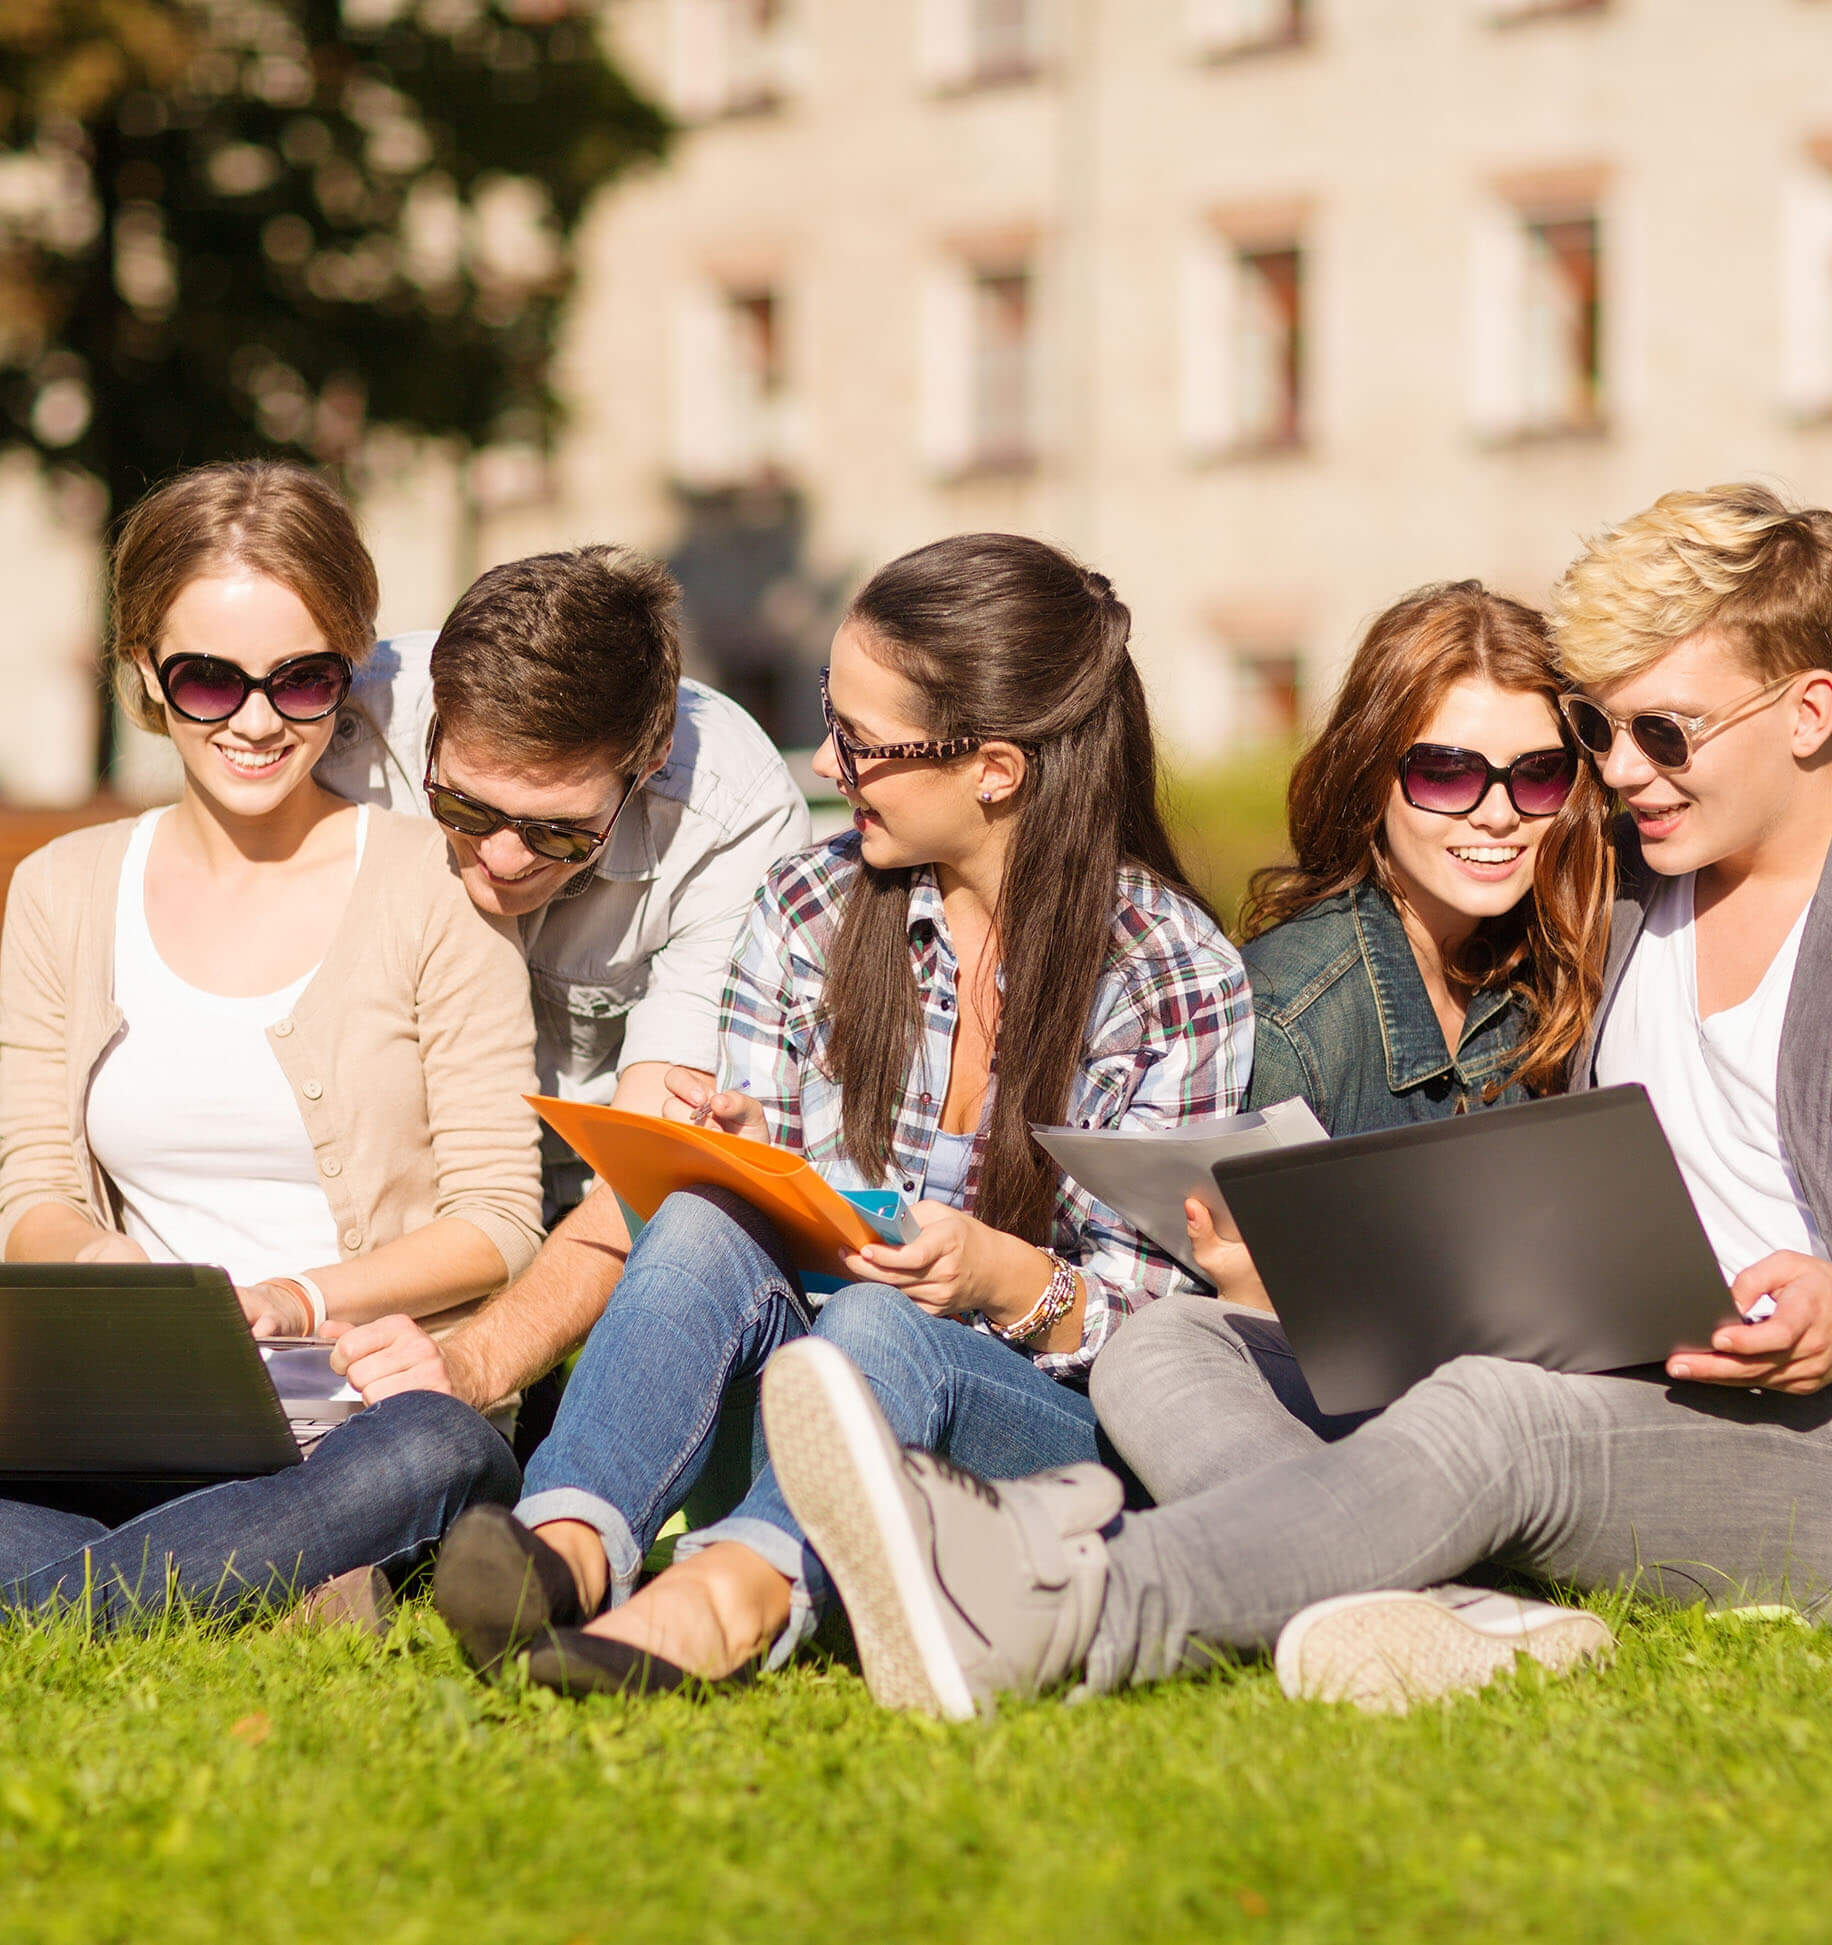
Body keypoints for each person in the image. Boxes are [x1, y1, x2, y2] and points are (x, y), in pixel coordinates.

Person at [762, 483, 1832, 1721]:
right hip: (1634, 1392)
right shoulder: (1619, 895)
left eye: (1664, 733)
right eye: (1601, 733)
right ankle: (1438, 1612)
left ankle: (1064, 1610)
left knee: (1496, 1419)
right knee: (1167, 1347)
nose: (1621, 774)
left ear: (1809, 713)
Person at [427, 533, 1252, 1692]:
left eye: (859, 743)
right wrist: (739, 1160)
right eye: (830, 712)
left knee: (884, 1328)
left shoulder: (1167, 975)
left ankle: (725, 1602)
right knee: (709, 1220)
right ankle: (564, 1548)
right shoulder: (810, 901)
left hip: (1041, 1432)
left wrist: (1005, 1278)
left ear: (996, 771)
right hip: (806, 1381)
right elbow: (764, 1215)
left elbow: (1168, 1339)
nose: (826, 759)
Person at [0, 461, 543, 1625]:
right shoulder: (61, 891)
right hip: (138, 1431)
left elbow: (498, 1217)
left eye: (301, 682)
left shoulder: (434, 888)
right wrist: (112, 1273)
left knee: (430, 1458)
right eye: (208, 680)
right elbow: (34, 1190)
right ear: (145, 669)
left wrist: (302, 1296)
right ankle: (243, 1582)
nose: (255, 721)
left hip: (366, 1425)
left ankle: (151, 1581)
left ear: (346, 675)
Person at [1090, 583, 1612, 1504]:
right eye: (1447, 773)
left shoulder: (1556, 969)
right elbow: (1215, 1333)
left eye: (1537, 775)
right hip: (1319, 1424)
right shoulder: (1291, 1011)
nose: (1498, 815)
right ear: (1372, 777)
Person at [312, 548, 809, 1431]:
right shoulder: (346, 721)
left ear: (649, 760)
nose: (500, 861)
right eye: (462, 808)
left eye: (559, 833)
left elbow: (649, 1162)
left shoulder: (734, 814)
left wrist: (474, 1364)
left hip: (588, 1211)